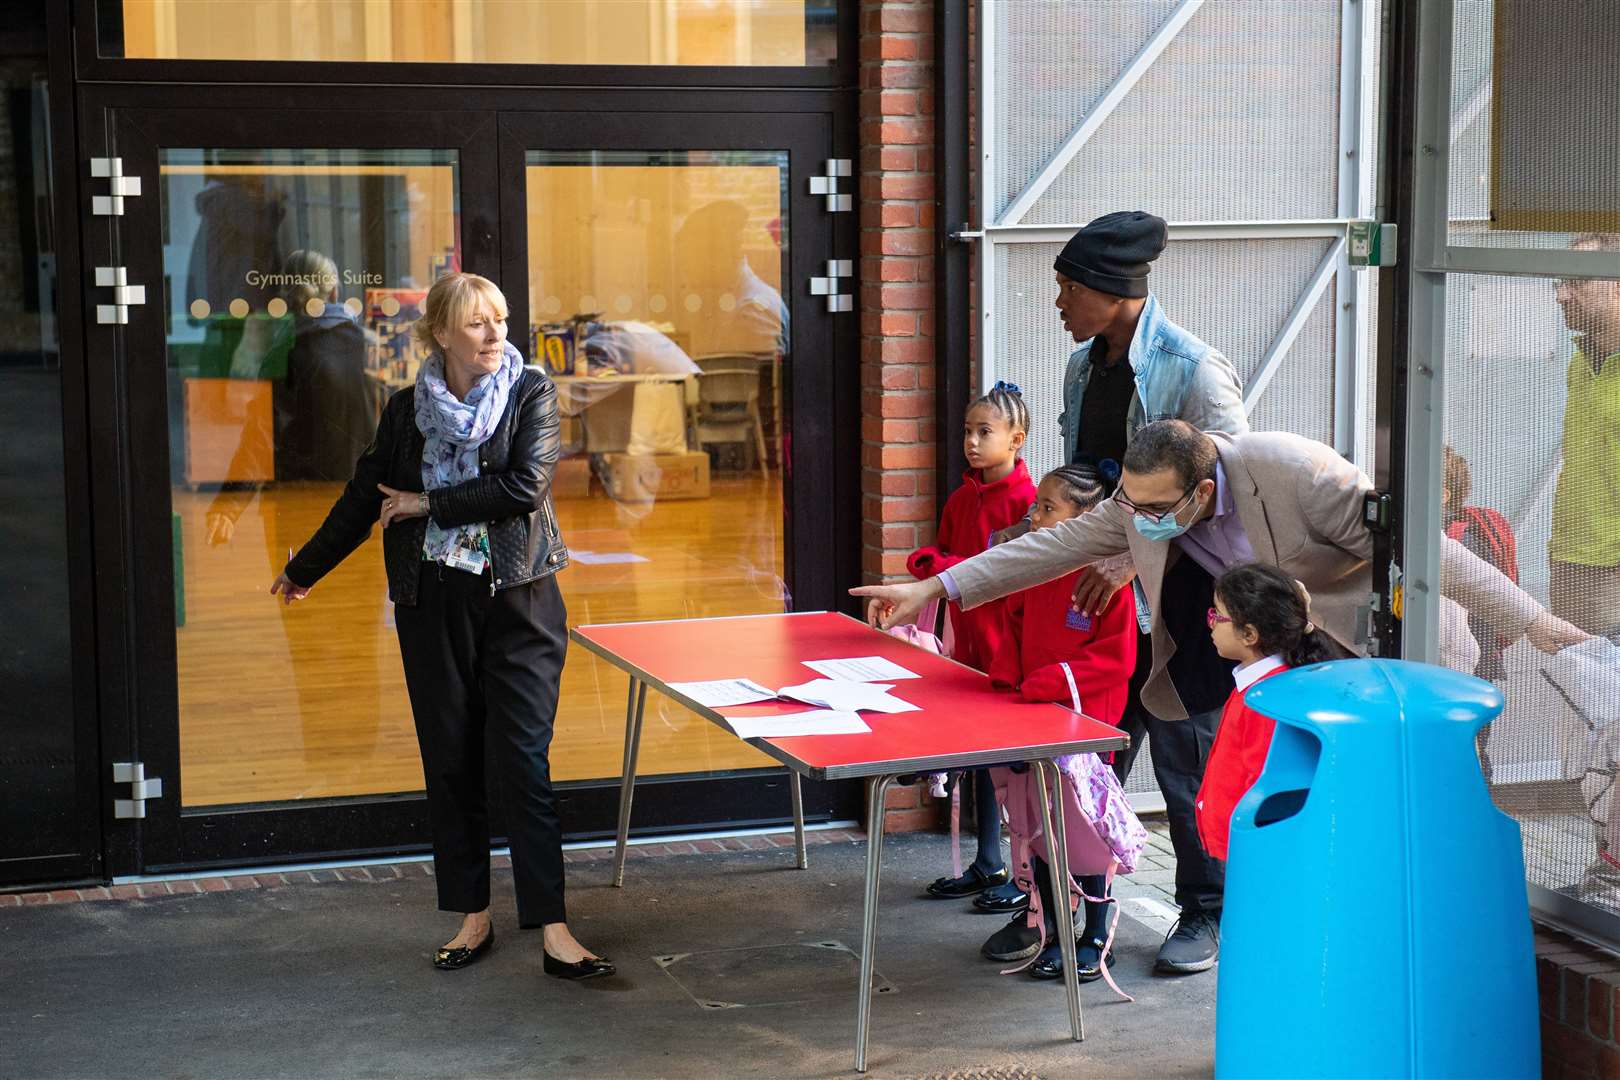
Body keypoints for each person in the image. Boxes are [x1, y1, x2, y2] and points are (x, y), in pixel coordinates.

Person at [270, 272, 613, 981]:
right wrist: (308, 569)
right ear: (441, 334)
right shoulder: (404, 413)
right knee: (452, 762)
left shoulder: (531, 394)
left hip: (520, 602)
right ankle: (472, 917)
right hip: (433, 606)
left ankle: (554, 928)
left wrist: (428, 503)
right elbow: (367, 495)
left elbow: (525, 487)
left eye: (501, 319)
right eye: (479, 323)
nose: (495, 335)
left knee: (522, 763)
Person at [991, 210, 1251, 972]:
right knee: (1083, 765)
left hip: (1178, 601)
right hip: (1098, 609)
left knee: (1186, 763)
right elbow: (1088, 491)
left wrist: (1139, 555)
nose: (1060, 303)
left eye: (1068, 287)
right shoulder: (1082, 368)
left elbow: (1227, 490)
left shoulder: (1195, 369)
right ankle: (1062, 907)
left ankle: (1204, 913)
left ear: (1112, 290)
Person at [977, 464, 1138, 983]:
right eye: (1036, 506)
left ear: (1086, 518)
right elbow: (1013, 628)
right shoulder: (1035, 568)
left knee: (1082, 830)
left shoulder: (1105, 578)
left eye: (1049, 507)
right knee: (1037, 826)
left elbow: (1118, 659)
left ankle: (1098, 929)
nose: (1035, 515)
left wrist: (1046, 683)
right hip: (1033, 717)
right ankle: (1053, 923)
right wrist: (1007, 681)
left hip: (1085, 722)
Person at [907, 381, 1037, 901]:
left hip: (1011, 646)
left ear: (1017, 439)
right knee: (982, 759)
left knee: (1016, 765)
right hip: (969, 647)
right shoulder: (963, 498)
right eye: (967, 431)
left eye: (985, 432)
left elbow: (1007, 572)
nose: (972, 442)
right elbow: (947, 553)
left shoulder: (1029, 501)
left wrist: (942, 568)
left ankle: (1027, 876)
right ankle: (989, 861)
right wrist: (928, 563)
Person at [1196, 564, 1349, 863]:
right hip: (1246, 848)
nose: (1211, 623)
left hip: (1254, 854)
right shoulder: (1259, 684)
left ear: (1249, 634)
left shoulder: (1266, 699)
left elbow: (1264, 788)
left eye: (1218, 615)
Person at [1550, 233, 1620, 640]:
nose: (1561, 296)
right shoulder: (1582, 360)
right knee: (1586, 693)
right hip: (1571, 558)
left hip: (1613, 567)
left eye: (1576, 283)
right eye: (1559, 283)